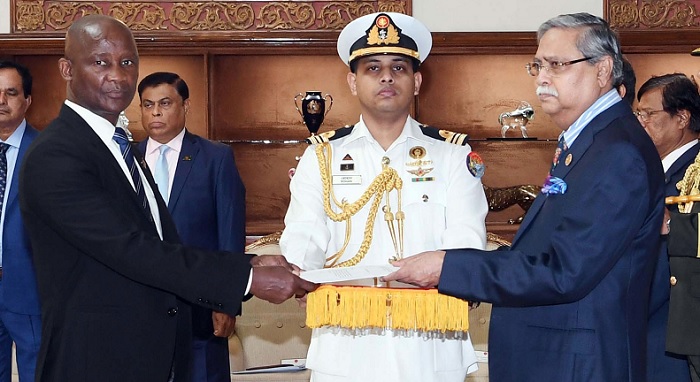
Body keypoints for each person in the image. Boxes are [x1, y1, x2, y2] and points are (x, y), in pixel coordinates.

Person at [17, 14, 316, 382]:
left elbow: (163, 241)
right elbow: (133, 251)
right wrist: (245, 279)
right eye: (100, 62)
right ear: (66, 69)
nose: (118, 75)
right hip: (97, 361)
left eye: (127, 62)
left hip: (155, 356)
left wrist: (251, 264)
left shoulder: (119, 146)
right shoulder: (57, 155)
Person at [384, 12, 665, 382]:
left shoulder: (617, 151)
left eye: (557, 65)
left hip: (579, 366)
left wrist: (447, 266)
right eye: (537, 65)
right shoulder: (591, 141)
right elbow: (542, 255)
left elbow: (564, 272)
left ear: (602, 71)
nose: (542, 78)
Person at [280, 12, 488, 382]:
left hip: (430, 338)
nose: (387, 76)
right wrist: (298, 274)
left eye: (399, 67)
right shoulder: (321, 155)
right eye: (372, 68)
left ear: (417, 81)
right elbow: (305, 231)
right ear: (352, 82)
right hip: (347, 339)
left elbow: (466, 236)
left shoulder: (453, 154)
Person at [137, 72, 245, 382]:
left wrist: (227, 302)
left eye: (165, 103)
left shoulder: (215, 158)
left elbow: (229, 234)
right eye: (147, 105)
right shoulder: (125, 159)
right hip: (141, 306)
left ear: (186, 106)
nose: (155, 112)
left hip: (200, 306)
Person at [638, 73, 700, 382]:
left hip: (674, 326)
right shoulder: (653, 170)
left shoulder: (694, 173)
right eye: (639, 114)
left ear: (682, 118)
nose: (641, 121)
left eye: (649, 113)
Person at [0, 61, 41, 382]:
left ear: (27, 101)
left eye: (11, 93)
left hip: (30, 290)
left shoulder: (45, 153)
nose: (1, 100)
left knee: (36, 373)